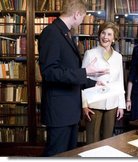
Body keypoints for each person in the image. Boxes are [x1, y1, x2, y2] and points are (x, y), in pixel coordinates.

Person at [38, 0, 108, 156]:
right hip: (59, 111)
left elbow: (69, 72)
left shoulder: (65, 33)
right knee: (56, 154)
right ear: (77, 14)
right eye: (83, 16)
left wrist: (93, 82)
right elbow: (49, 72)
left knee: (67, 155)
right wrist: (86, 71)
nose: (83, 21)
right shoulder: (52, 32)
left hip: (69, 110)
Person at [81, 22, 126, 144]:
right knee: (92, 140)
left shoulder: (118, 57)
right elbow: (83, 81)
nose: (105, 37)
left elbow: (120, 81)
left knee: (108, 140)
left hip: (112, 103)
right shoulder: (90, 54)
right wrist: (84, 105)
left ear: (114, 38)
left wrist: (121, 105)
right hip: (93, 103)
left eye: (109, 34)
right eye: (103, 33)